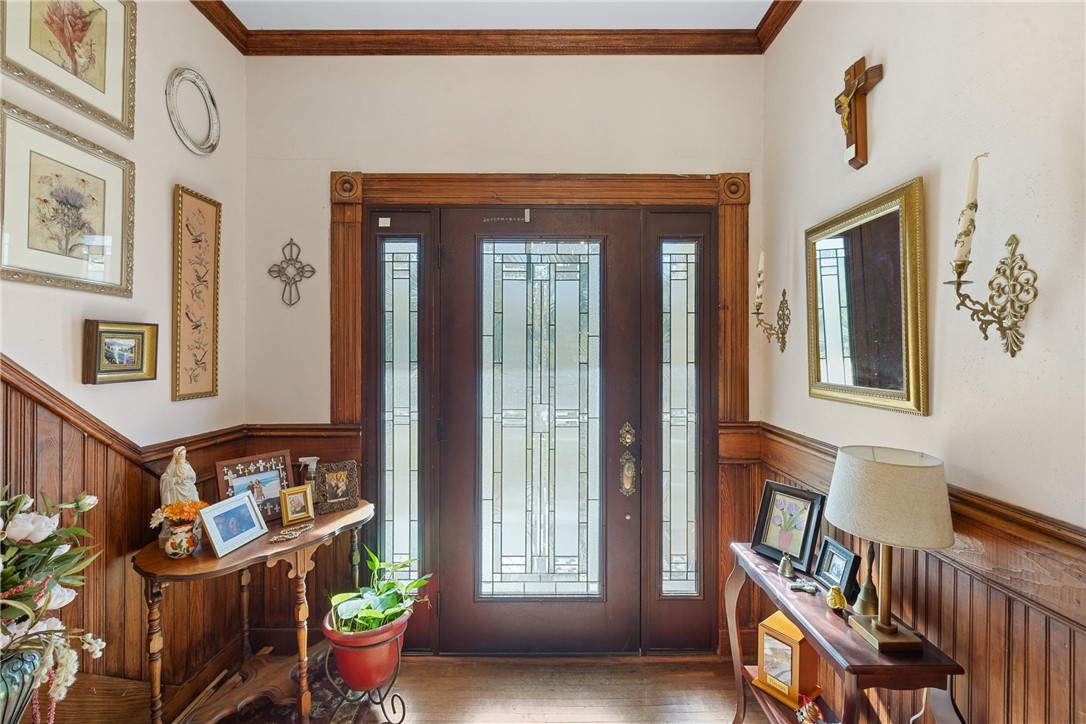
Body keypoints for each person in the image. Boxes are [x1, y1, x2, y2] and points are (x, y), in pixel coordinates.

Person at [159, 446, 199, 543]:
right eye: (181, 455)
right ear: (176, 456)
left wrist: (188, 476)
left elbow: (193, 476)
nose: (183, 457)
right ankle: (176, 532)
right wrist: (176, 480)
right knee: (176, 512)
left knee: (190, 510)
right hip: (176, 493)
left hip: (188, 490)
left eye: (184, 454)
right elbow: (164, 479)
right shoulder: (172, 467)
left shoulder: (187, 465)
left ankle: (191, 528)